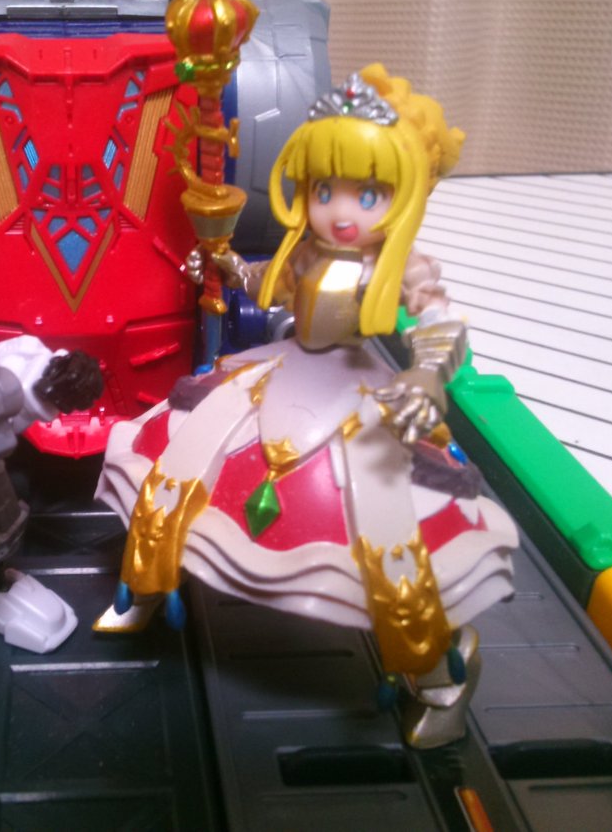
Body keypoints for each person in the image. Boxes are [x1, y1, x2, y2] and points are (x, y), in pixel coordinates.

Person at [96, 65, 518, 748]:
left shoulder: (400, 264)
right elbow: (266, 280)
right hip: (280, 372)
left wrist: (427, 375)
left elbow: (441, 324)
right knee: (181, 463)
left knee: (386, 535)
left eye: (368, 194)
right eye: (325, 190)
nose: (341, 211)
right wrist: (225, 265)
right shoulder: (307, 251)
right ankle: (143, 586)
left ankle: (440, 673)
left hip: (356, 391)